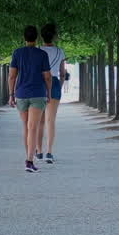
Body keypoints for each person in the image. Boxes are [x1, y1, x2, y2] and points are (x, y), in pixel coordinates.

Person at [8, 25, 52, 173]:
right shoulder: (42, 54)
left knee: (26, 127)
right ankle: (29, 161)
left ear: (24, 37)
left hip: (21, 94)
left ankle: (28, 158)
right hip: (38, 94)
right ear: (37, 38)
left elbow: (12, 76)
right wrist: (49, 92)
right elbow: (47, 76)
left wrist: (11, 94)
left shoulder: (17, 53)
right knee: (32, 127)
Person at [37, 22, 67, 164]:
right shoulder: (60, 51)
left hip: (39, 83)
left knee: (39, 121)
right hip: (54, 82)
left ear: (41, 36)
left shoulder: (37, 50)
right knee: (51, 120)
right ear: (54, 36)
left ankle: (38, 150)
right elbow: (62, 73)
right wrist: (59, 86)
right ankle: (49, 152)